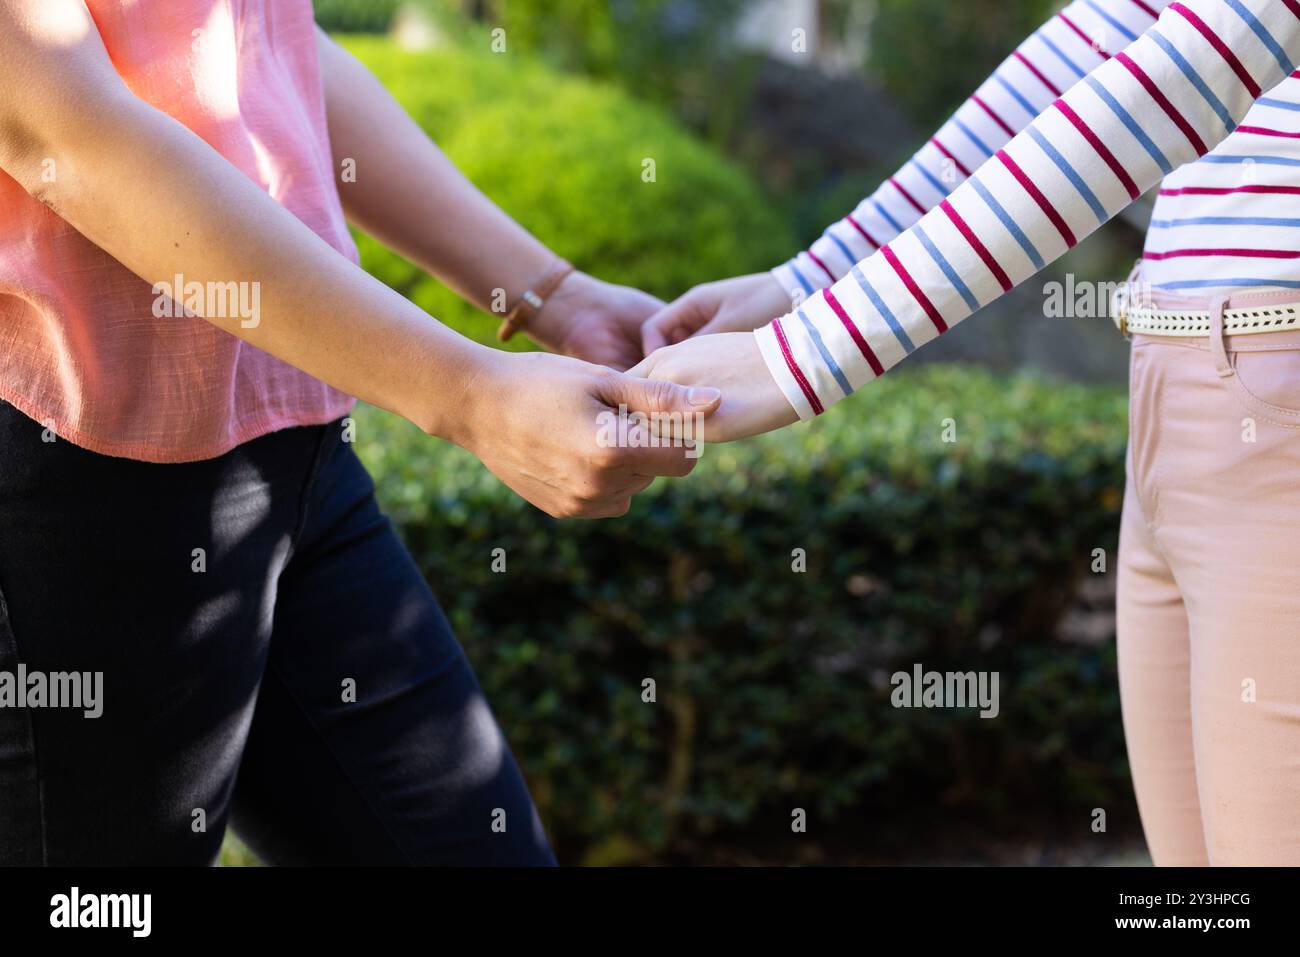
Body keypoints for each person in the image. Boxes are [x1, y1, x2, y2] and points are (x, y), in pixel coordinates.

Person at [0, 0, 720, 865]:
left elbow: (273, 45)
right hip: (65, 475)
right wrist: (471, 396)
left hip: (293, 449)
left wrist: (555, 296)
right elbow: (65, 140)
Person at [637, 0, 1300, 865]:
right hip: (1183, 389)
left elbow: (1193, 68)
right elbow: (1100, 40)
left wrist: (802, 356)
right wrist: (811, 280)